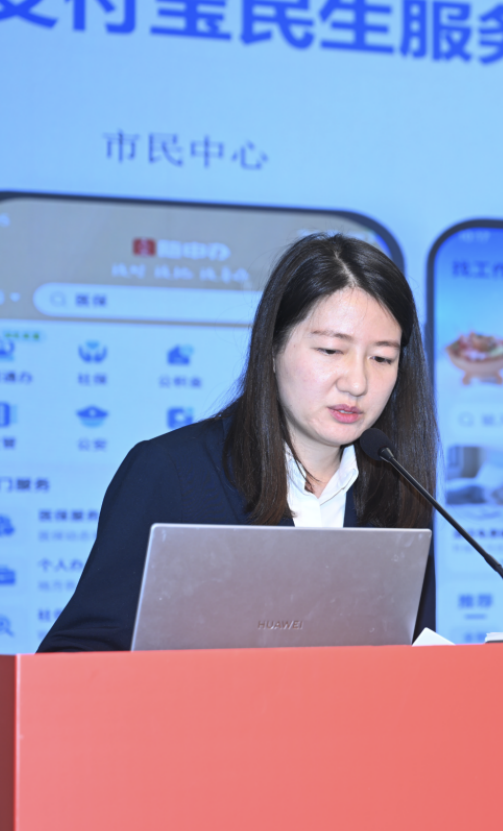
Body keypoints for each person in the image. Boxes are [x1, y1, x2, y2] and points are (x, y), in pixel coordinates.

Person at [38, 235, 438, 652]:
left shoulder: (401, 489)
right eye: (331, 350)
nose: (357, 383)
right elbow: (73, 656)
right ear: (272, 347)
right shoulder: (172, 473)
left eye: (382, 358)